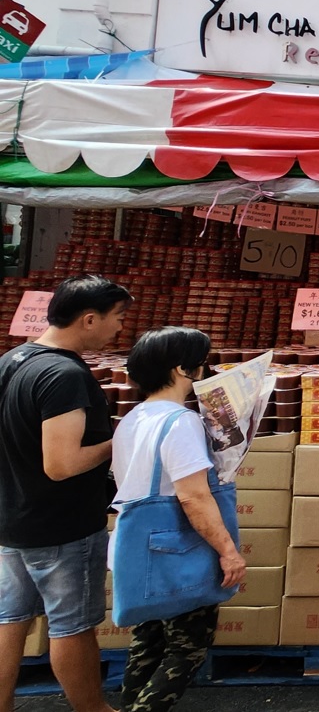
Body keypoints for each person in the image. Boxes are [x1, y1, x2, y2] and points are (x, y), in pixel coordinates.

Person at [0, 275, 131, 712]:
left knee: (9, 620)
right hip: (59, 525)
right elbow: (62, 464)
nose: (119, 328)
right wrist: (121, 440)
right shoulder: (63, 374)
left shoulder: (13, 359)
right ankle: (93, 709)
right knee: (72, 626)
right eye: (116, 318)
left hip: (13, 517)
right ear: (88, 319)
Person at [112, 327, 245, 712]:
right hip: (178, 549)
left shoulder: (133, 418)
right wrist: (227, 551)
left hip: (141, 549)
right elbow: (193, 495)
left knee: (148, 642)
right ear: (183, 368)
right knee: (187, 649)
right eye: (201, 361)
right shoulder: (180, 422)